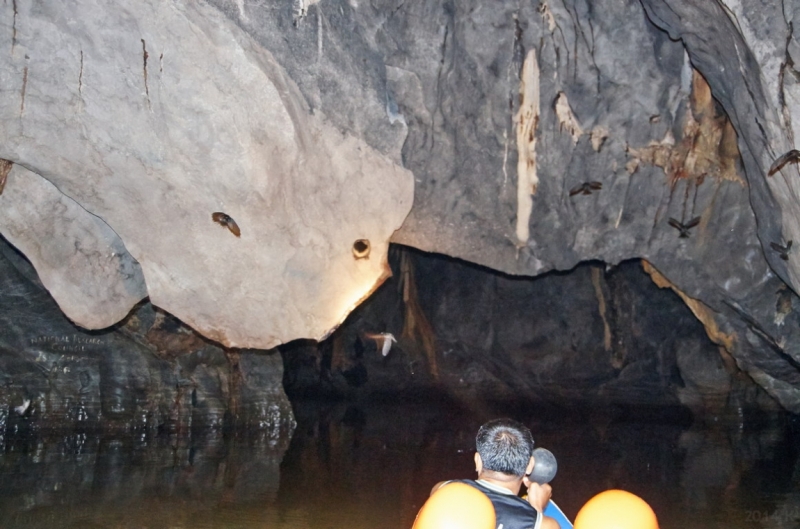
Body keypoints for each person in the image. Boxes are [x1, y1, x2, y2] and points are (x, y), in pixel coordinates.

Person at [431, 418, 560, 529]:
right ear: (530, 466)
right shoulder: (546, 525)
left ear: (477, 461)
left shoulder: (442, 490)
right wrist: (536, 511)